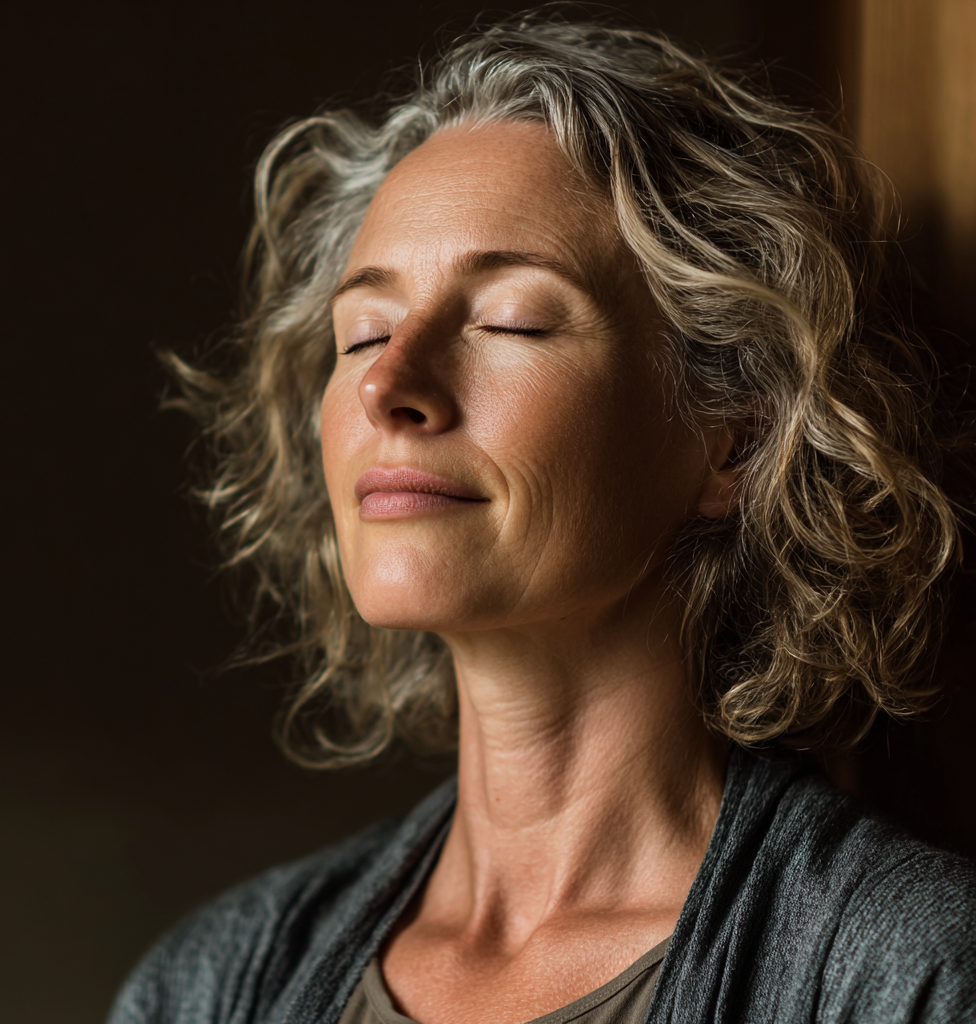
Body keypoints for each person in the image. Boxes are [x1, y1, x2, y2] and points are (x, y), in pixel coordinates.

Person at [108, 15, 975, 1024]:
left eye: (511, 319)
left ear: (732, 437)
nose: (391, 383)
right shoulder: (208, 987)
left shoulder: (897, 975)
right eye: (363, 332)